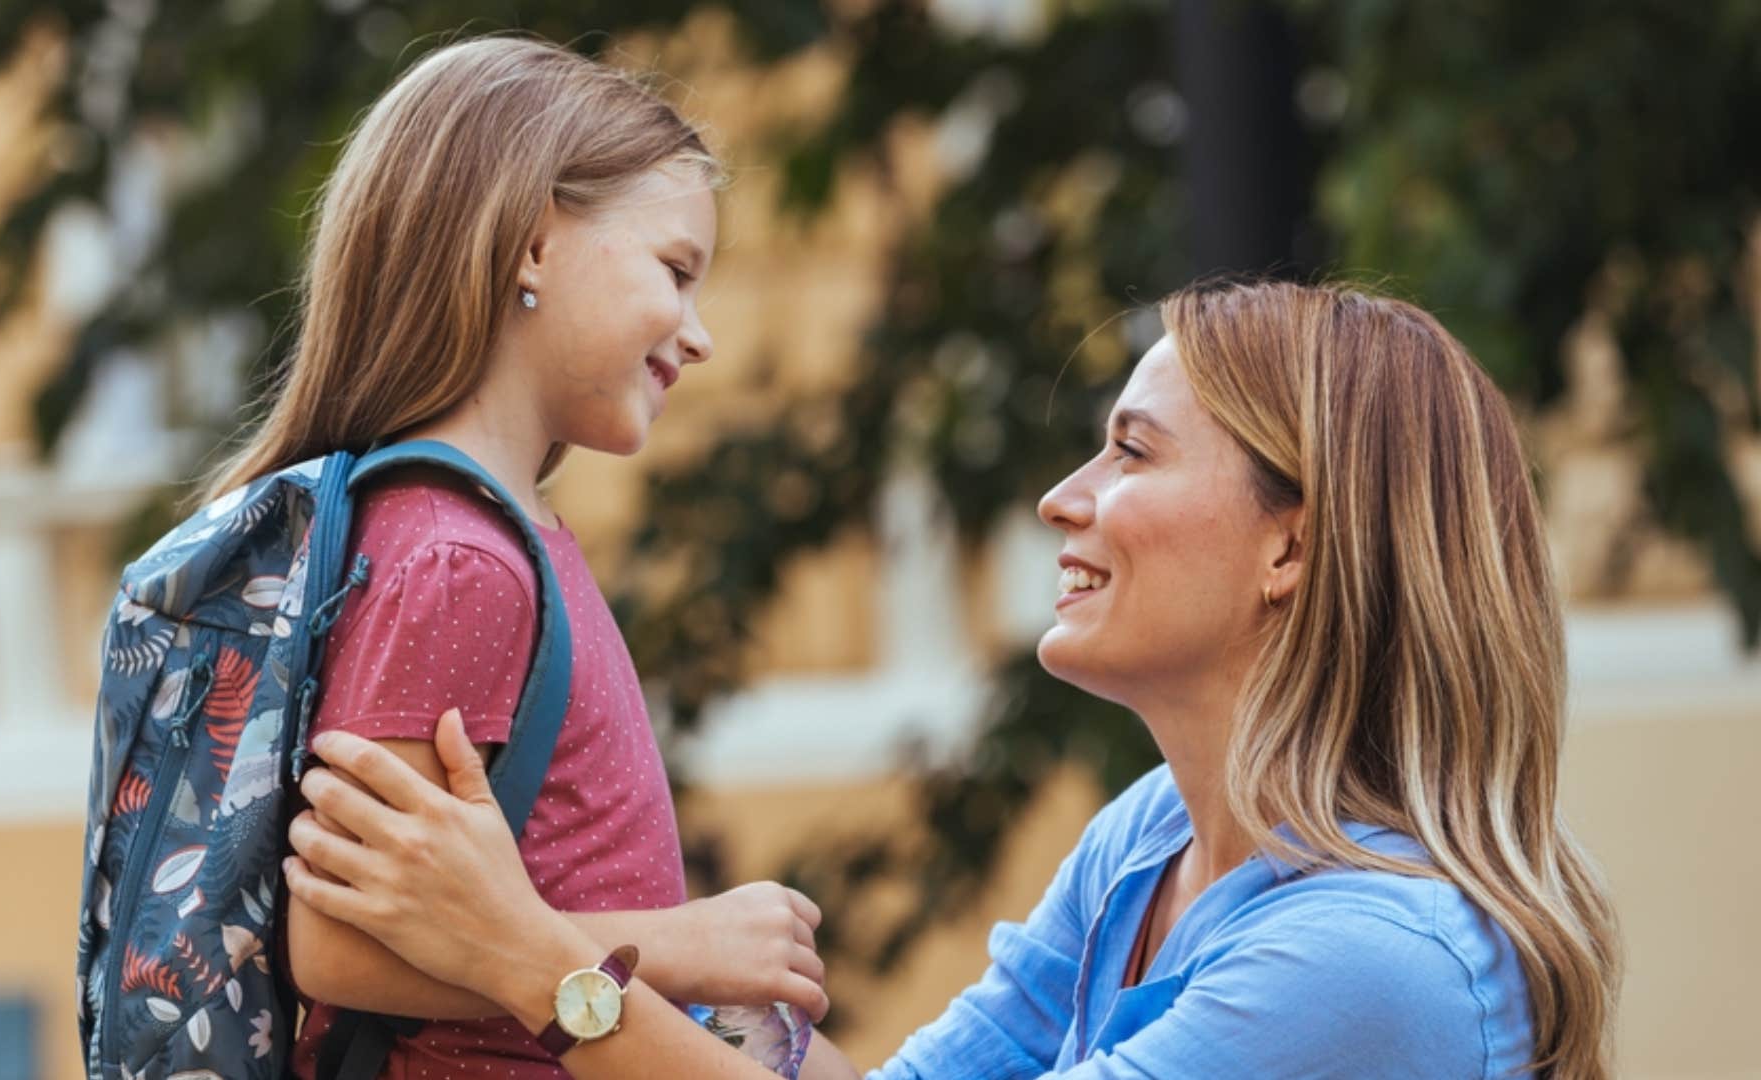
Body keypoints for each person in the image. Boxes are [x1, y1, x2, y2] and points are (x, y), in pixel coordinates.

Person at [282, 279, 1624, 1078]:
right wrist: (680, 965)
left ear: (1294, 542)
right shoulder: (1151, 841)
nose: (1061, 499)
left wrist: (535, 960)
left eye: (1134, 455)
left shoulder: (1370, 963)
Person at [199, 35, 828, 1079]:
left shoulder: (500, 538)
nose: (699, 333)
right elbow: (340, 946)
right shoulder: (458, 559)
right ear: (532, 245)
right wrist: (684, 945)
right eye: (675, 271)